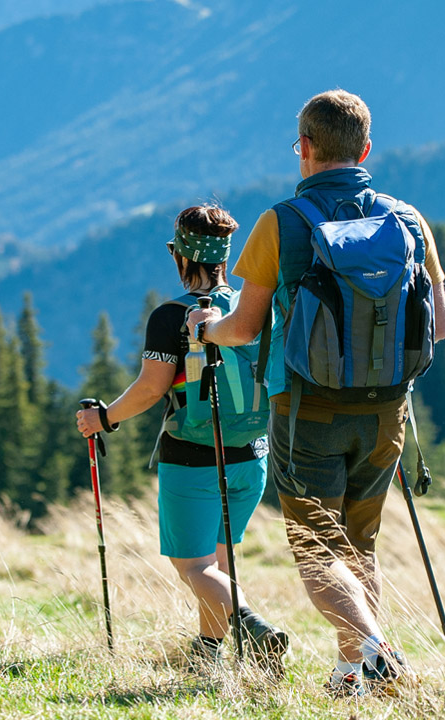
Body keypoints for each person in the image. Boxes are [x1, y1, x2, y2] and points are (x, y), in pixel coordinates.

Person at [185, 89, 445, 697]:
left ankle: (375, 652)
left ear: (304, 149)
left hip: (307, 409)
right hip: (388, 412)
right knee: (360, 543)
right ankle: (353, 672)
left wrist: (208, 331)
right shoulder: (408, 221)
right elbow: (437, 326)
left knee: (316, 547)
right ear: (365, 148)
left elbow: (246, 327)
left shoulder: (282, 222)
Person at [72, 205, 290, 678]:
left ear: (180, 257)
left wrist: (104, 418)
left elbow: (152, 389)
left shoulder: (173, 316)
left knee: (193, 567)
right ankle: (207, 656)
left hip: (192, 458)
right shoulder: (252, 309)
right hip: (252, 455)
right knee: (218, 562)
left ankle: (253, 627)